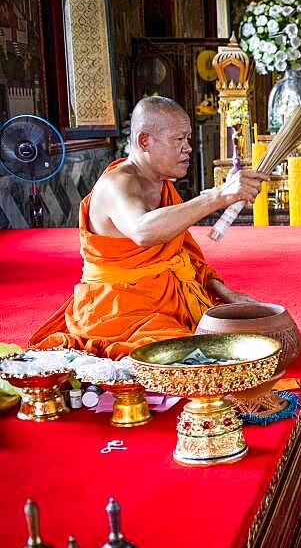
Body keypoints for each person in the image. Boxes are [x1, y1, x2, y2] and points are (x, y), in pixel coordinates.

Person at [29, 97, 266, 359]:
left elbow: (181, 258)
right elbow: (143, 231)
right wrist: (217, 196)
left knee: (253, 333)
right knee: (197, 356)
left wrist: (227, 293)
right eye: (179, 140)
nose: (188, 148)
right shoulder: (117, 184)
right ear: (145, 141)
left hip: (171, 303)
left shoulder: (161, 184)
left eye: (187, 139)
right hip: (121, 311)